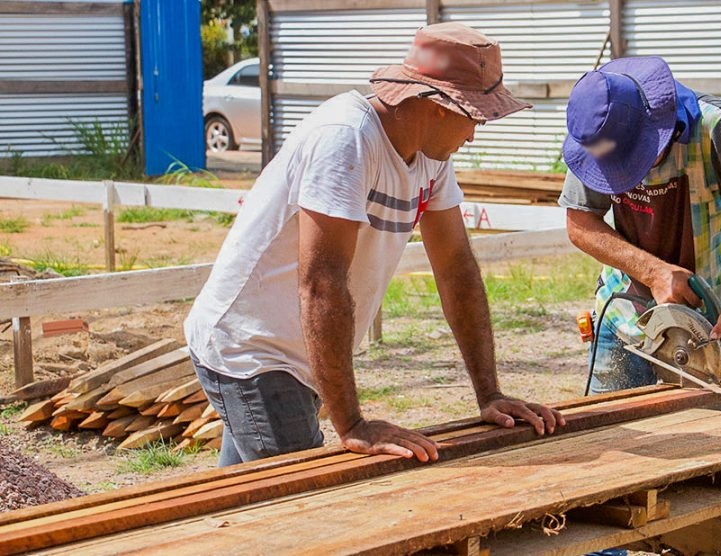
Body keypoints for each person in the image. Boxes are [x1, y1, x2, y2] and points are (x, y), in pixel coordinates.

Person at [184, 22, 565, 468]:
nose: (474, 135)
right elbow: (322, 283)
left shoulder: (431, 156)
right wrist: (352, 426)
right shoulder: (346, 139)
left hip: (299, 347)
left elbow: (456, 267)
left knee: (242, 504)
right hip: (253, 347)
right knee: (301, 502)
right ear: (438, 106)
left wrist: (490, 394)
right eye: (474, 117)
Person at [559, 56, 721, 398]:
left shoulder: (715, 129)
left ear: (655, 127)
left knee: (707, 446)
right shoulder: (598, 133)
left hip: (704, 331)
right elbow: (579, 223)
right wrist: (653, 272)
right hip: (622, 315)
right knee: (613, 438)